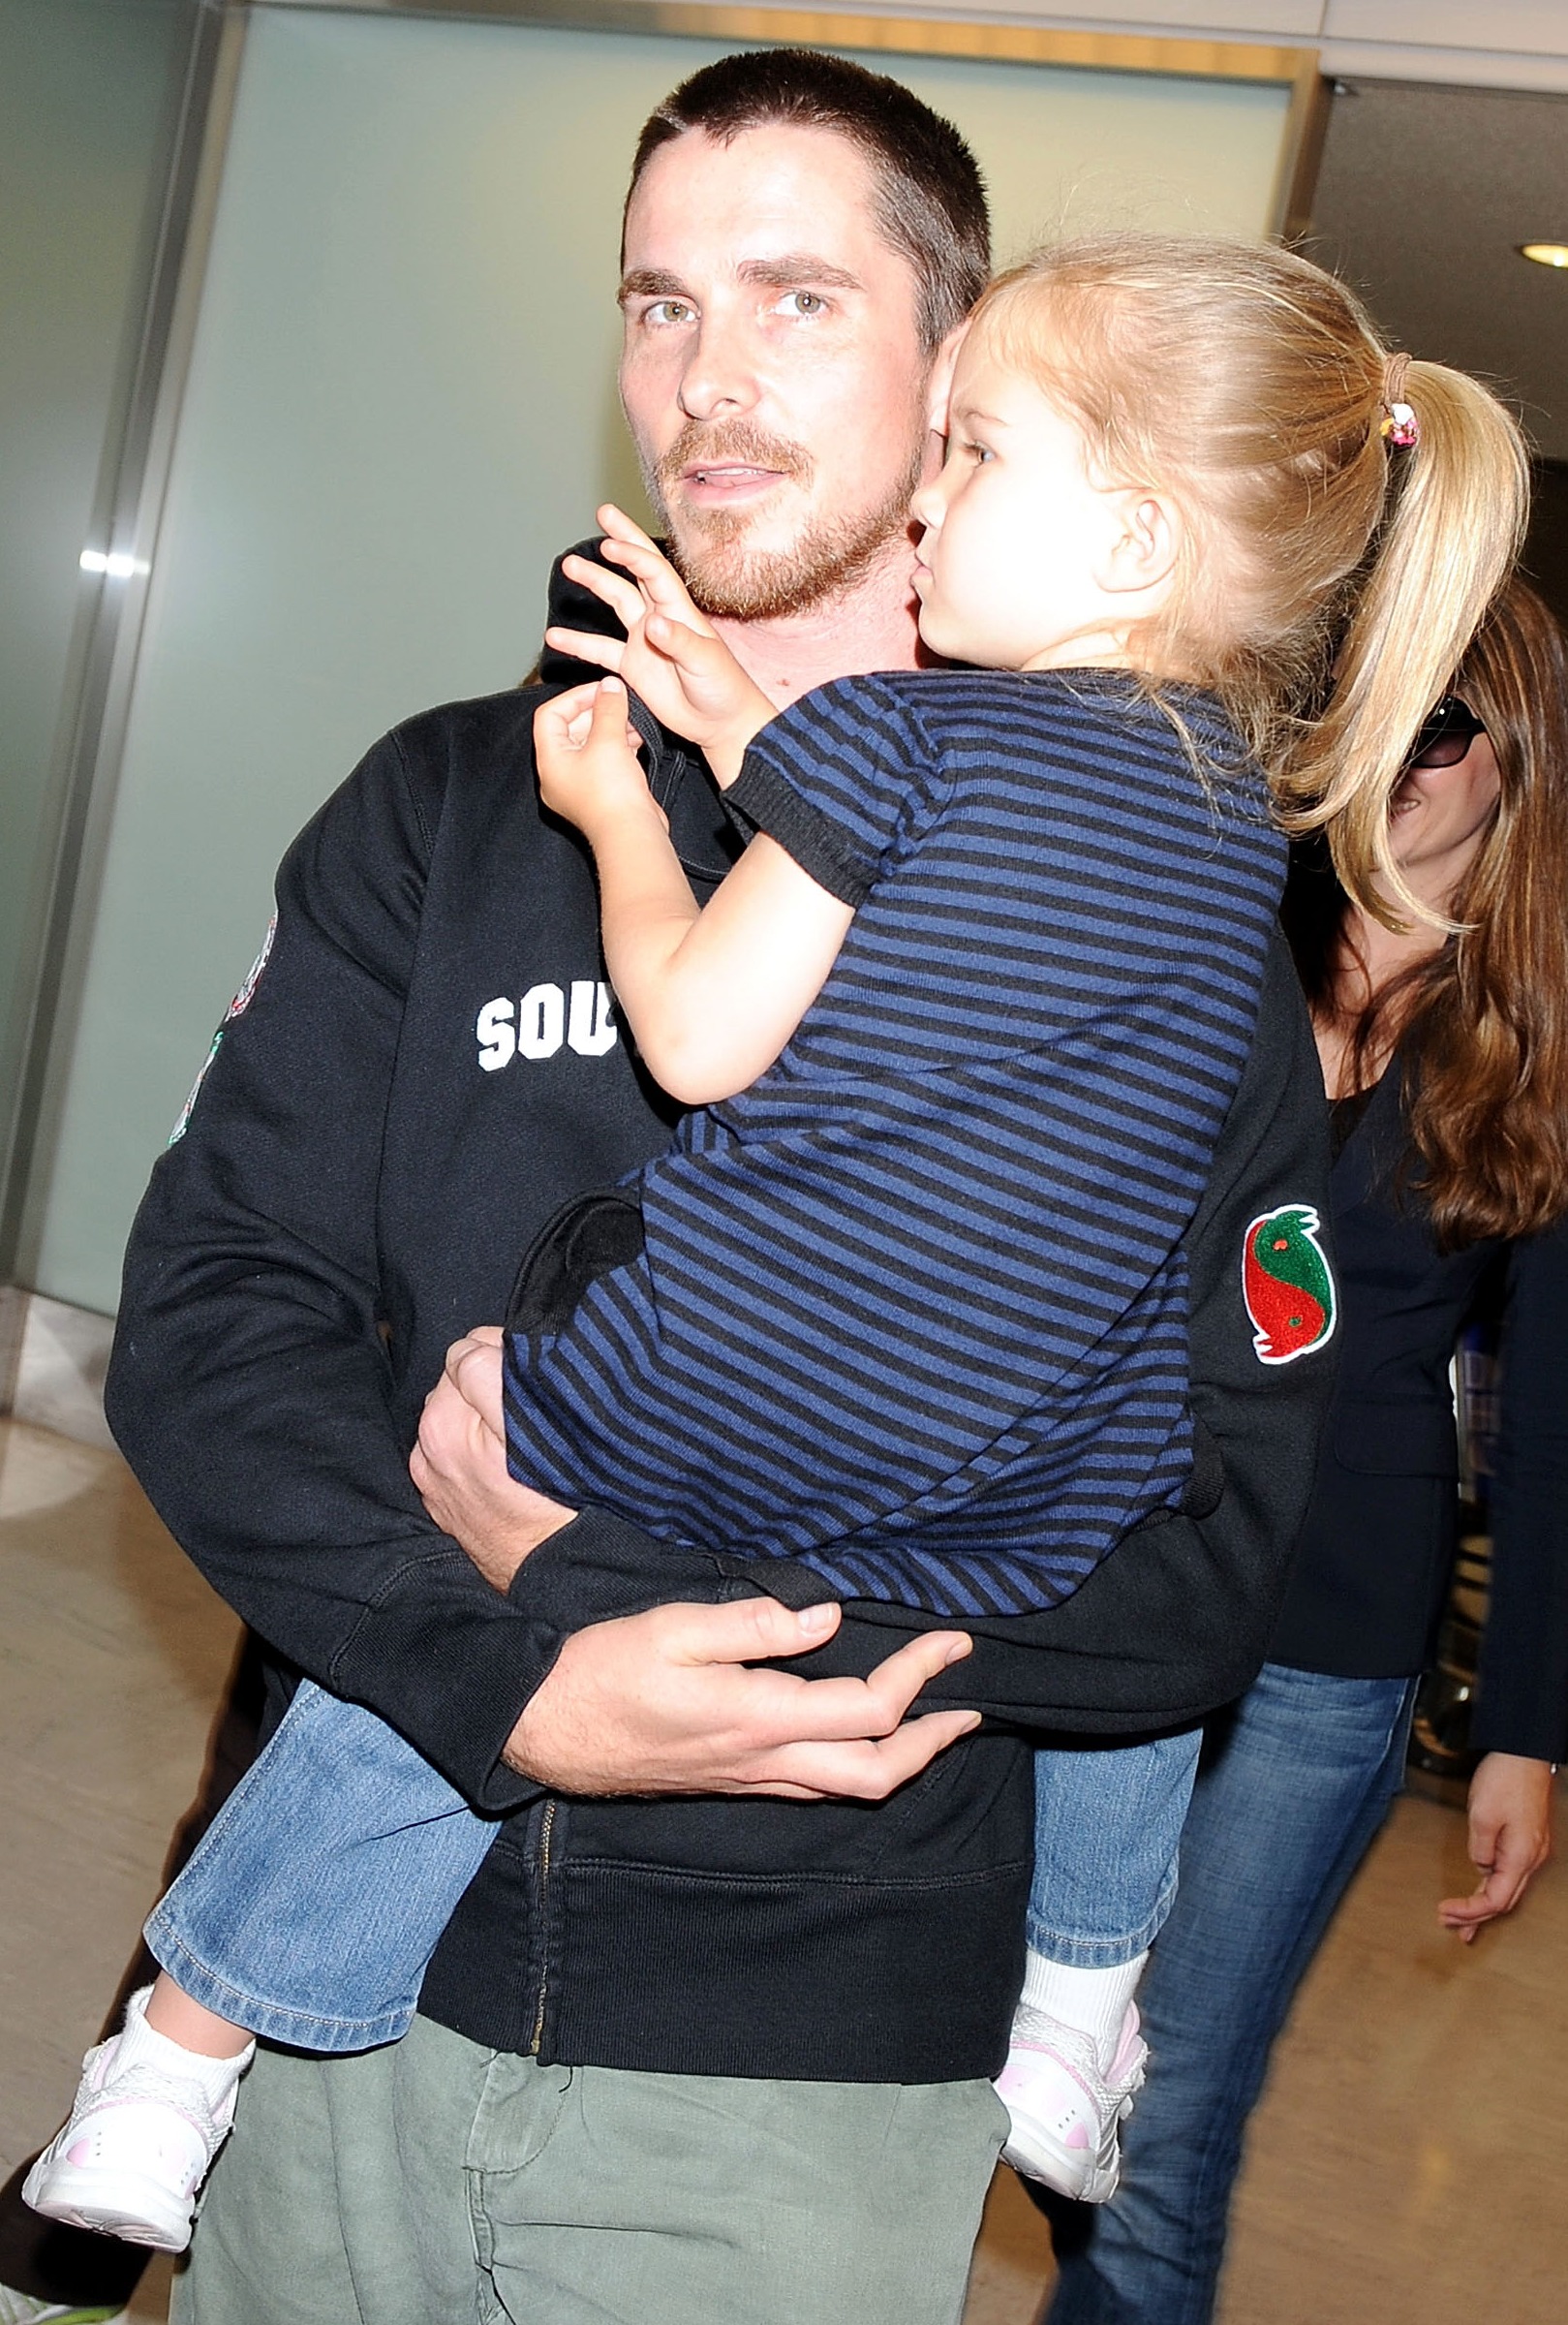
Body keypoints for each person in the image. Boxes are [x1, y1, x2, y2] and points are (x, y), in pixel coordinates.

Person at [40, 52, 1343, 2325]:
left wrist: (649, 1615)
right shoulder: (450, 811)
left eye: (797, 299)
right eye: (655, 303)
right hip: (350, 2023)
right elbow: (217, 1319)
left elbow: (1210, 1548)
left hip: (810, 2087)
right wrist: (502, 1680)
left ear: (967, 366)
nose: (707, 381)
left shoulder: (1165, 926)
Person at [1042, 572, 1568, 2325]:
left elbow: (1558, 1412)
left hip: (1325, 1643)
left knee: (1165, 2123)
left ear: (1516, 763)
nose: (1393, 768)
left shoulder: (1541, 1039)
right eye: (1377, 720)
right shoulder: (1227, 918)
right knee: (994, 2052)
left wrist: (1525, 1733)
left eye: (1437, 732)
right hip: (1098, 1569)